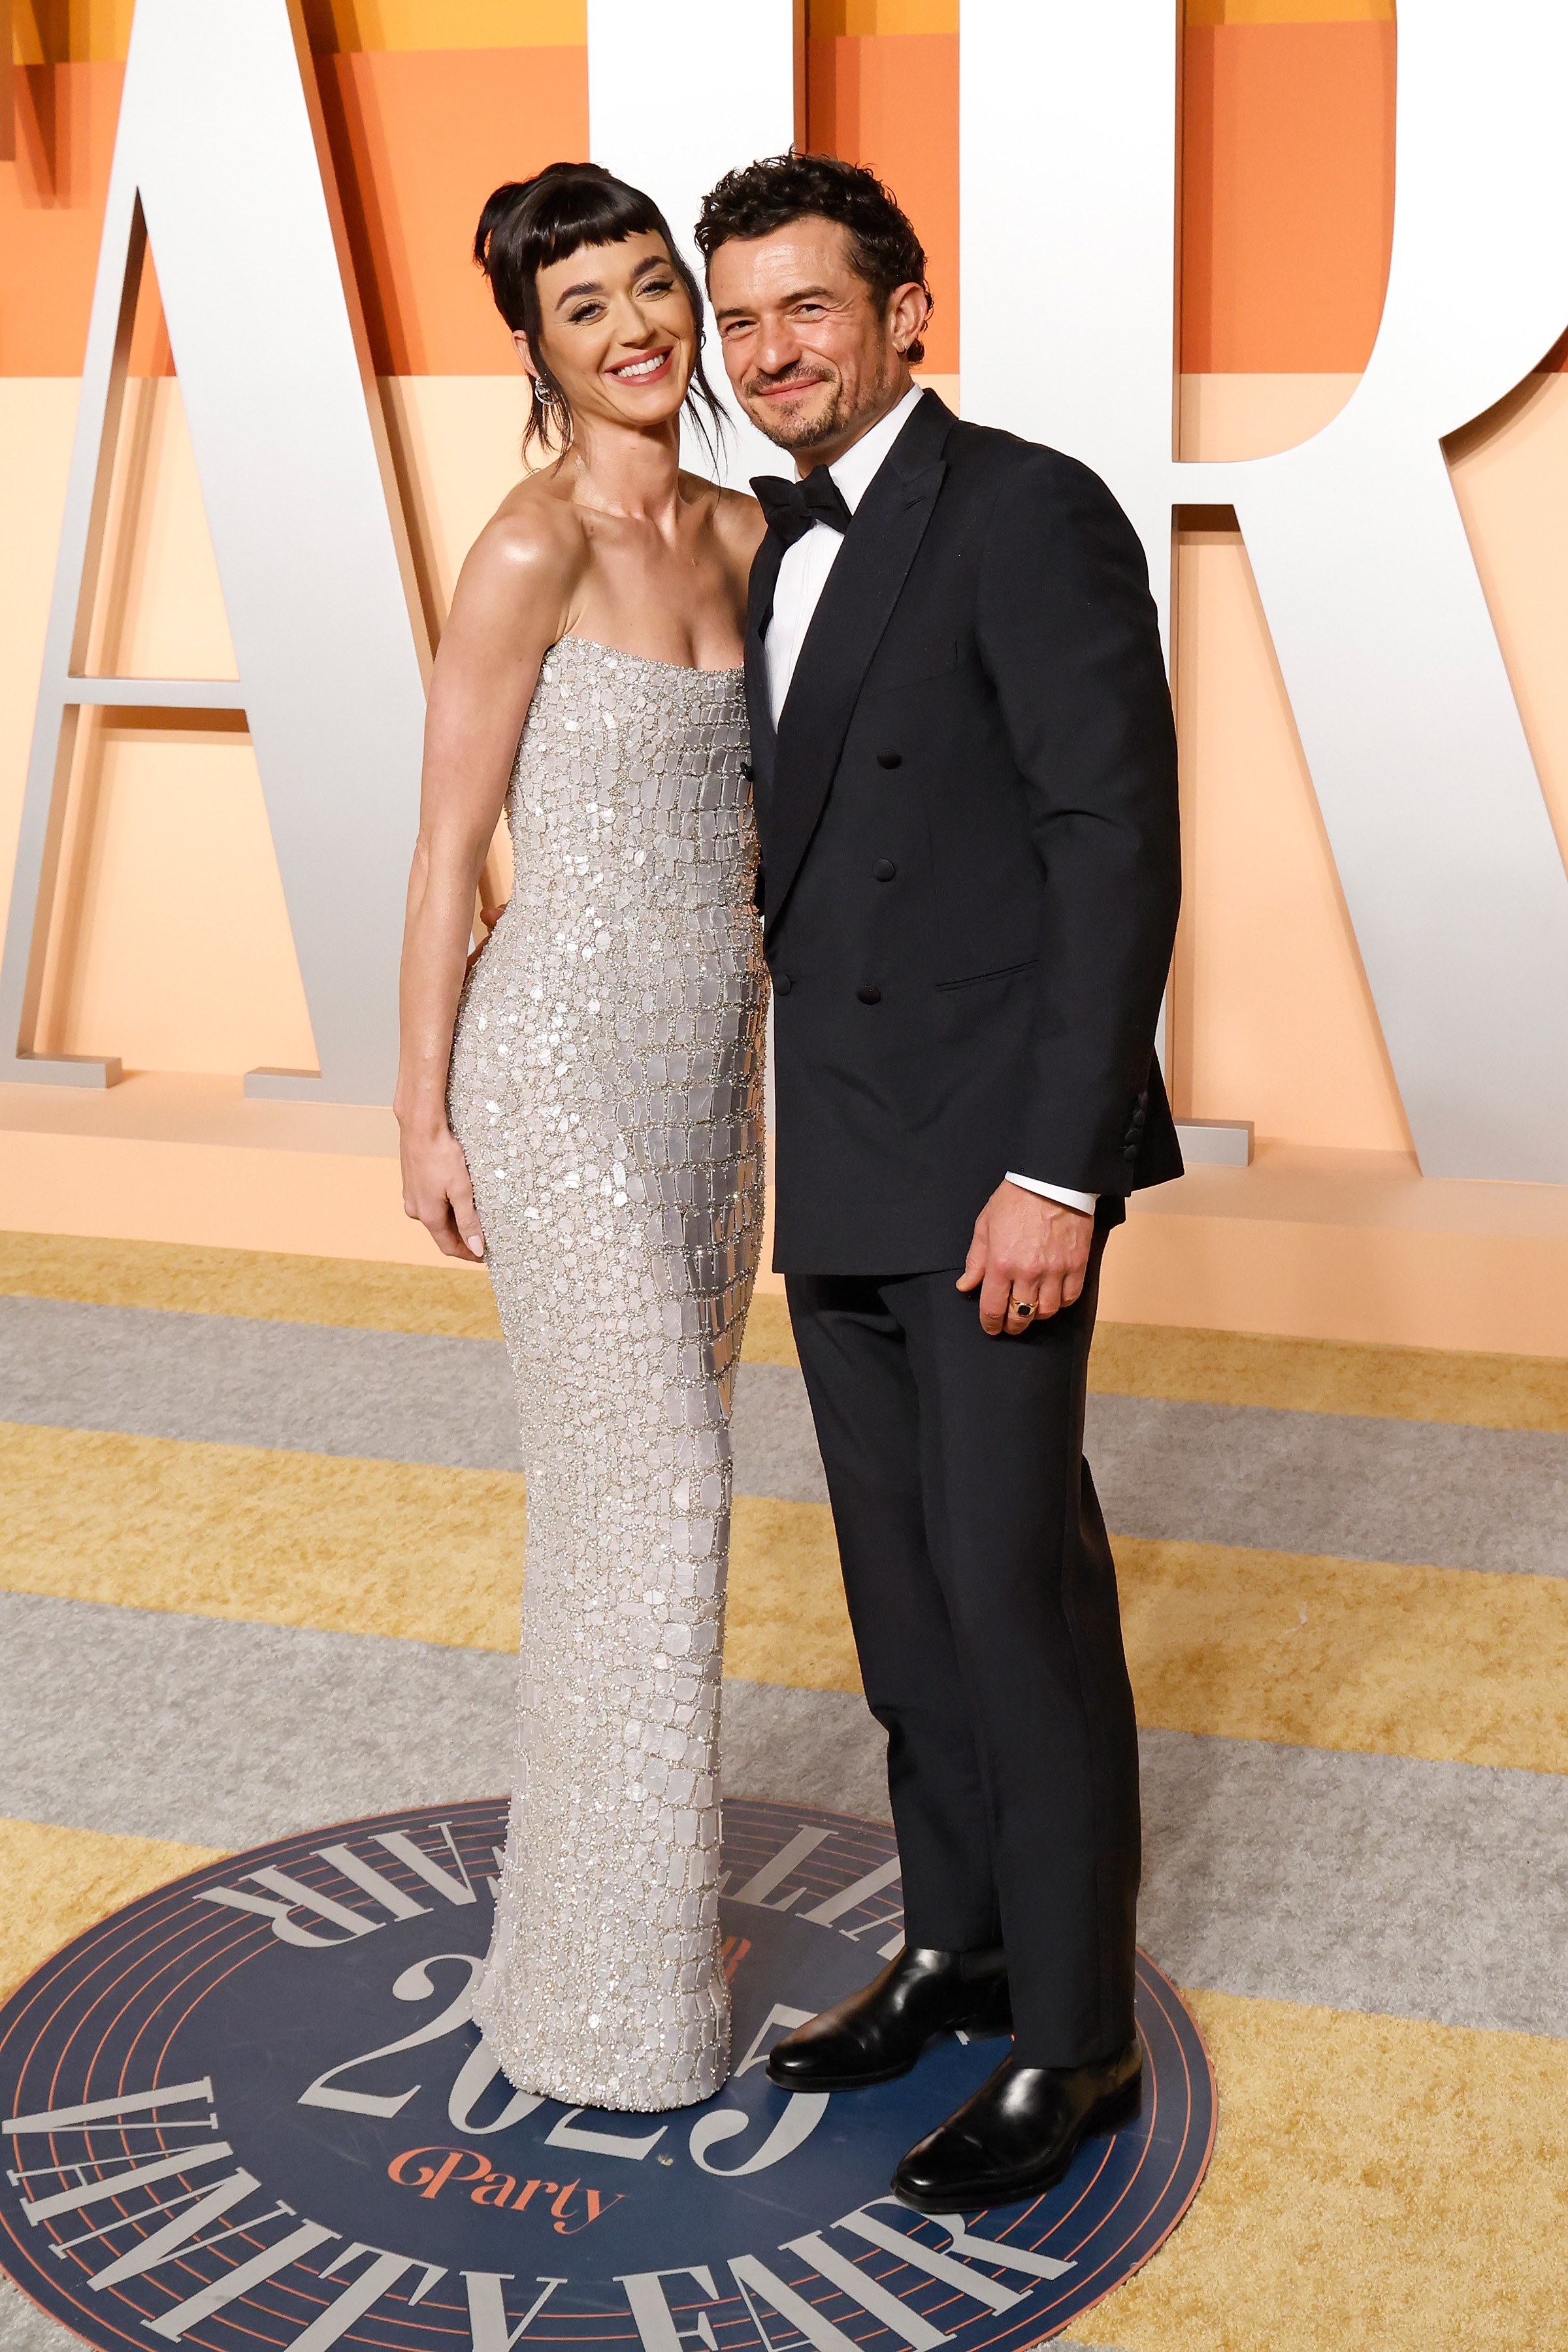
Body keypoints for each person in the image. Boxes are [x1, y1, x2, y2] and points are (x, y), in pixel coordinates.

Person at [697, 152, 1183, 2212]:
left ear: (907, 314)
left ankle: (1073, 2045)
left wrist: (1053, 1177)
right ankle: (956, 1947)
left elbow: (1115, 843)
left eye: (806, 307)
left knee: (1015, 1599)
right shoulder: (758, 555)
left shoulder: (1029, 509)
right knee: (906, 1611)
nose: (767, 351)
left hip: (996, 1165)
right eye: (738, 320)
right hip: (851, 1158)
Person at [395, 162, 768, 2112]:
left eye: (651, 291)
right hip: (547, 1072)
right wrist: (422, 1113)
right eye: (586, 310)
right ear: (534, 350)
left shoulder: (748, 527)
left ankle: (576, 1955)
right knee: (663, 1495)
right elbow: (451, 849)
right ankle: (621, 2012)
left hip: (716, 1078)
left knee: (629, 1516)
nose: (636, 331)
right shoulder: (527, 549)